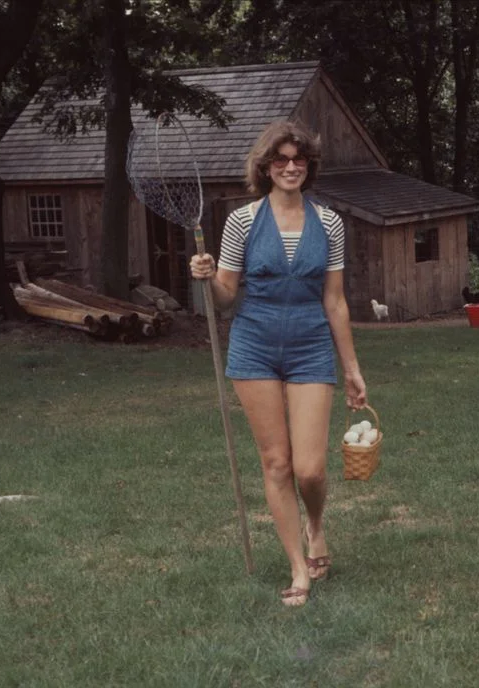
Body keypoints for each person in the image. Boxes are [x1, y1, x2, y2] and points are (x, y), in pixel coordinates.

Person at [189, 120, 367, 607]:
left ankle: (315, 524)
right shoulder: (241, 222)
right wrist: (205, 277)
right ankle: (296, 566)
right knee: (276, 462)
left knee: (309, 469)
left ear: (308, 167)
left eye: (299, 159)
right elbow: (226, 298)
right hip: (254, 347)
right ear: (265, 167)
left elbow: (335, 302)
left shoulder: (328, 223)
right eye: (281, 160)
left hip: (310, 344)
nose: (291, 167)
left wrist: (351, 368)